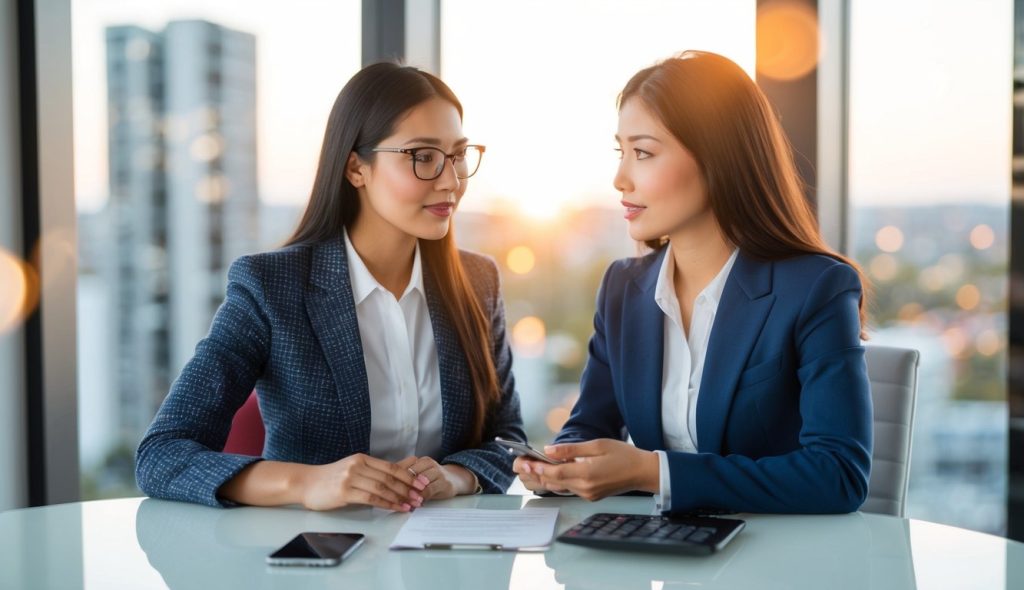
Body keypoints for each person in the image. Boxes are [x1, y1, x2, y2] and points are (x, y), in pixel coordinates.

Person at [136, 63, 525, 512]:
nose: (451, 181)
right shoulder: (271, 287)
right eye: (423, 156)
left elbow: (508, 438)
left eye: (457, 155)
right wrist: (308, 484)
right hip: (317, 562)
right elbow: (162, 454)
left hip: (445, 560)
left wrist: (455, 478)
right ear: (356, 168)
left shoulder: (478, 282)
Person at [514, 51, 872, 514]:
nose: (620, 178)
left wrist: (652, 472)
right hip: (661, 559)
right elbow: (590, 427)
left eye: (642, 153)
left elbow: (839, 474)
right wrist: (559, 465)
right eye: (620, 153)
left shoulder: (815, 288)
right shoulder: (623, 288)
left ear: (717, 157)